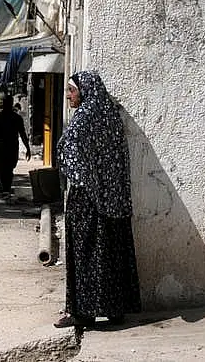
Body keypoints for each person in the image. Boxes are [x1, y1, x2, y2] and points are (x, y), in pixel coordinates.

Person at [54, 70, 141, 328]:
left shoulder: (83, 117)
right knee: (111, 250)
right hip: (114, 197)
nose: (69, 96)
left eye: (72, 90)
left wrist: (81, 178)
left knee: (85, 252)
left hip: (87, 197)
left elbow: (67, 148)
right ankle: (115, 309)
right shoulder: (110, 113)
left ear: (84, 91)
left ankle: (83, 312)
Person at [0, 94, 31, 195]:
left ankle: (5, 189)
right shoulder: (15, 118)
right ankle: (6, 189)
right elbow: (22, 134)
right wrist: (27, 148)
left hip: (3, 148)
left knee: (3, 169)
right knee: (8, 170)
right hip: (10, 148)